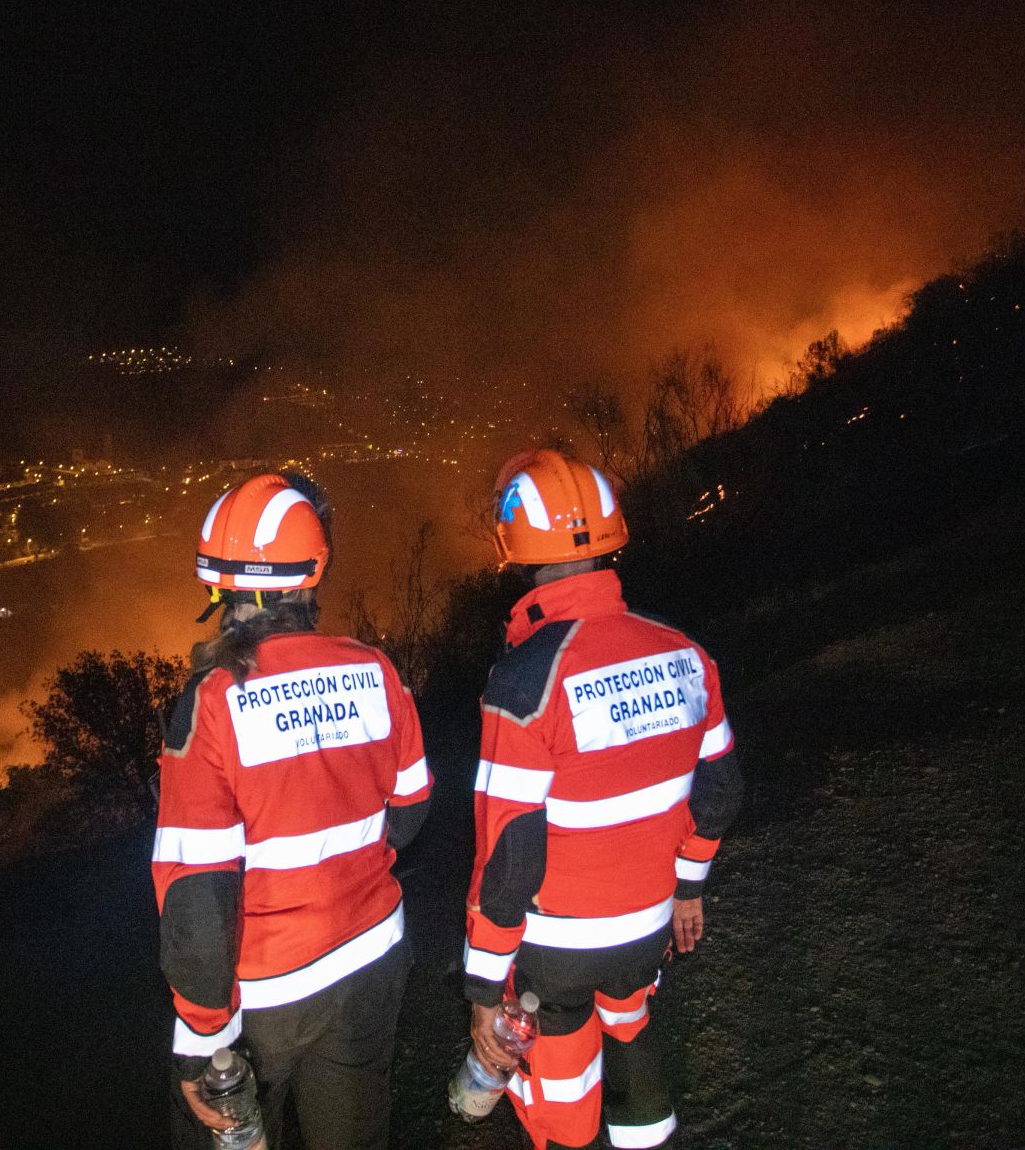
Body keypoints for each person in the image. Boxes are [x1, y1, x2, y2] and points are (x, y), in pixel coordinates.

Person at [463, 449, 743, 1149]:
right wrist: (688, 887)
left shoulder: (524, 682)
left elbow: (510, 858)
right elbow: (723, 787)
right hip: (646, 928)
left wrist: (481, 985)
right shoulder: (685, 652)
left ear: (514, 547)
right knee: (631, 1022)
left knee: (561, 1096)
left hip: (555, 948)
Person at [154, 471, 432, 1149]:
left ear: (223, 590)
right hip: (371, 960)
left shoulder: (213, 703)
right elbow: (411, 809)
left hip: (264, 997)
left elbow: (197, 895)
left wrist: (202, 1039)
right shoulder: (376, 670)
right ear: (311, 576)